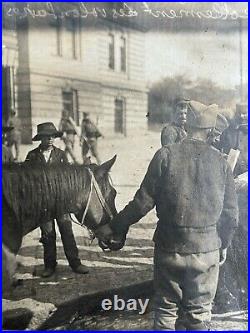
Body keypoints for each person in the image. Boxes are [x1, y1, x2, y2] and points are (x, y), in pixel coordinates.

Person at [96, 100, 238, 330]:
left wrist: (114, 227)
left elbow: (141, 203)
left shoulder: (164, 155)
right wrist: (223, 245)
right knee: (199, 314)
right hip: (207, 250)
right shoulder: (221, 163)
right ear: (211, 131)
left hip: (169, 248)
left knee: (165, 311)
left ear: (186, 126)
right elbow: (231, 215)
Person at [25, 122, 89, 277]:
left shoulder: (60, 155)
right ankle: (50, 265)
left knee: (67, 231)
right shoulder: (32, 156)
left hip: (61, 202)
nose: (50, 139)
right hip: (43, 203)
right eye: (47, 137)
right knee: (47, 234)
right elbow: (26, 179)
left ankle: (75, 263)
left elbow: (68, 177)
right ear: (41, 138)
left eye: (53, 136)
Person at [218, 104, 248, 177]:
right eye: (239, 113)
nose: (241, 116)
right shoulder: (227, 131)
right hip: (232, 172)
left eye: (244, 113)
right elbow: (221, 150)